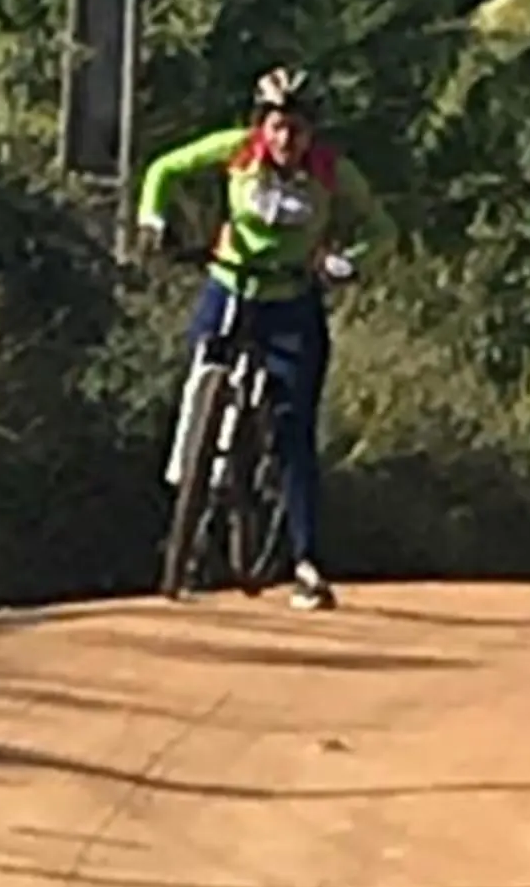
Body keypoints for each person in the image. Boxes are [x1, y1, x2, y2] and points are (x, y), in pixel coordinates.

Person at [136, 67, 376, 613]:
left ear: (312, 133)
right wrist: (153, 220)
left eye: (297, 129)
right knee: (200, 389)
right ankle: (189, 517)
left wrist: (349, 262)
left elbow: (381, 228)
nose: (287, 141)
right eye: (277, 127)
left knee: (294, 433)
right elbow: (163, 170)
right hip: (230, 288)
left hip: (292, 305)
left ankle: (306, 562)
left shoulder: (333, 174)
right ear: (260, 127)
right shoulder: (236, 152)